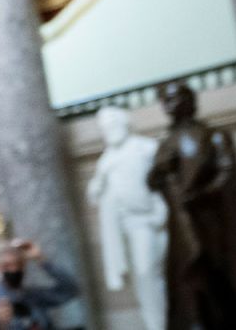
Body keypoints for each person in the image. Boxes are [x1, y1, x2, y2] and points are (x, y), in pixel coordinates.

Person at [147, 80, 236, 329]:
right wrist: (161, 169)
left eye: (173, 99)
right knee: (189, 279)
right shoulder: (166, 143)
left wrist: (202, 194)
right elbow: (153, 181)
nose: (168, 106)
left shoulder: (213, 136)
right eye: (165, 101)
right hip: (184, 227)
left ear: (189, 101)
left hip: (214, 224)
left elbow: (228, 173)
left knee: (222, 276)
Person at [86, 105, 167, 330]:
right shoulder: (107, 160)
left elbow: (165, 182)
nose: (109, 130)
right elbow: (95, 192)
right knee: (142, 275)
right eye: (104, 128)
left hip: (152, 218)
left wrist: (160, 212)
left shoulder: (146, 148)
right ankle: (155, 323)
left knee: (154, 272)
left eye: (112, 124)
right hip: (130, 225)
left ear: (124, 123)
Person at [0, 240, 77, 330]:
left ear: (23, 266)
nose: (14, 270)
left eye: (18, 264)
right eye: (7, 265)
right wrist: (1, 324)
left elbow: (69, 290)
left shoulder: (33, 295)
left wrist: (41, 259)